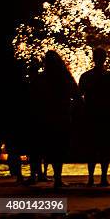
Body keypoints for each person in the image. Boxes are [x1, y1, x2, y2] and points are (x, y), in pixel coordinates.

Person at [28, 50, 80, 188]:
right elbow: (77, 95)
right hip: (60, 117)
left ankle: (37, 175)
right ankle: (57, 178)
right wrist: (70, 109)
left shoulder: (41, 79)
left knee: (43, 147)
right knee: (59, 148)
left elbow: (32, 98)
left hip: (45, 118)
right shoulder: (65, 78)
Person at [79, 47, 110, 187]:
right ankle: (103, 177)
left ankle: (91, 177)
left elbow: (80, 95)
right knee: (104, 147)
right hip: (105, 115)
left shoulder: (86, 76)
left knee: (92, 147)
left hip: (91, 115)